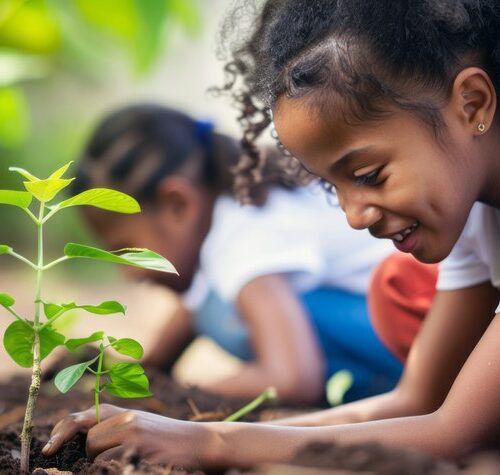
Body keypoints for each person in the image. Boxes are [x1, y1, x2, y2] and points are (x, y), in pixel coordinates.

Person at [43, 0, 500, 467]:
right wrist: (197, 431)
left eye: (369, 174)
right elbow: (416, 402)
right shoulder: (473, 223)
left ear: (472, 104)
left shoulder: (244, 237)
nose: (353, 217)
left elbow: (453, 431)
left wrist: (211, 442)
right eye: (331, 186)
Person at [64, 104, 400, 406]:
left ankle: (388, 398)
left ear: (178, 204)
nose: (129, 273)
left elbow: (293, 379)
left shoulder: (242, 235)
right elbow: (190, 309)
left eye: (124, 250)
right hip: (397, 327)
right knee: (213, 302)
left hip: (415, 340)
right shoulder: (229, 219)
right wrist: (132, 372)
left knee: (223, 313)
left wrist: (177, 397)